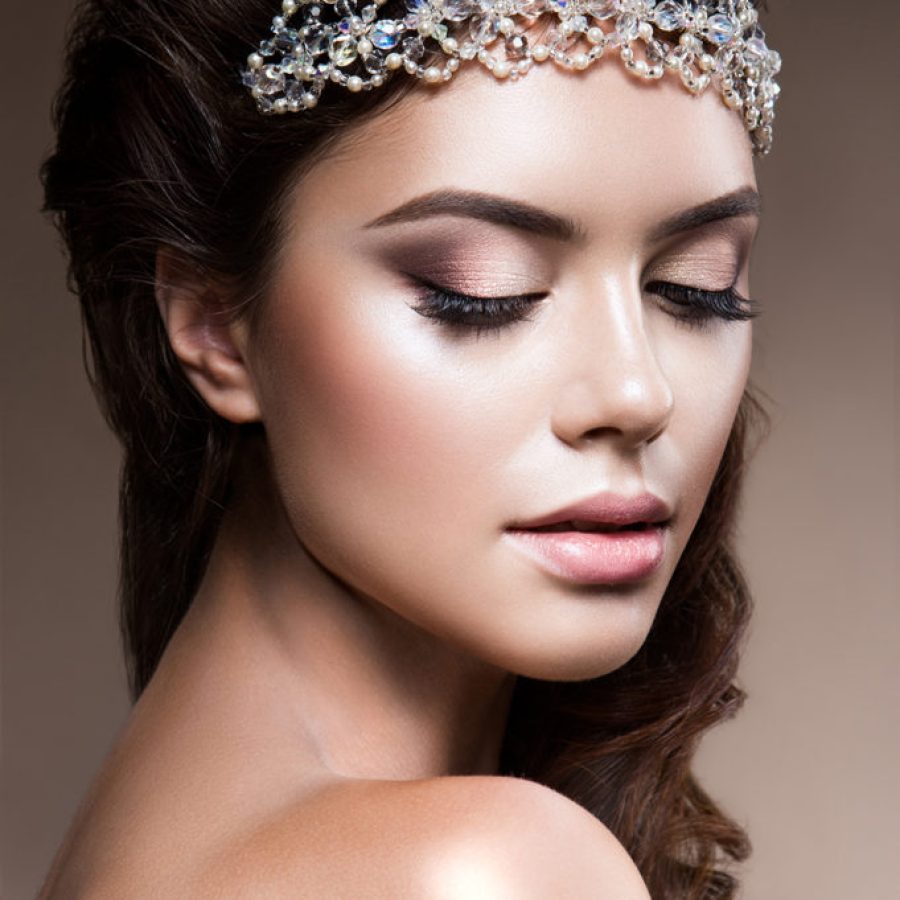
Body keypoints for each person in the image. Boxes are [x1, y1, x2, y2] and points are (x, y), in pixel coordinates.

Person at [37, 0, 781, 896]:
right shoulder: (472, 872)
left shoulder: (151, 835)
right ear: (214, 327)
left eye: (697, 289)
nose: (637, 392)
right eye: (484, 293)